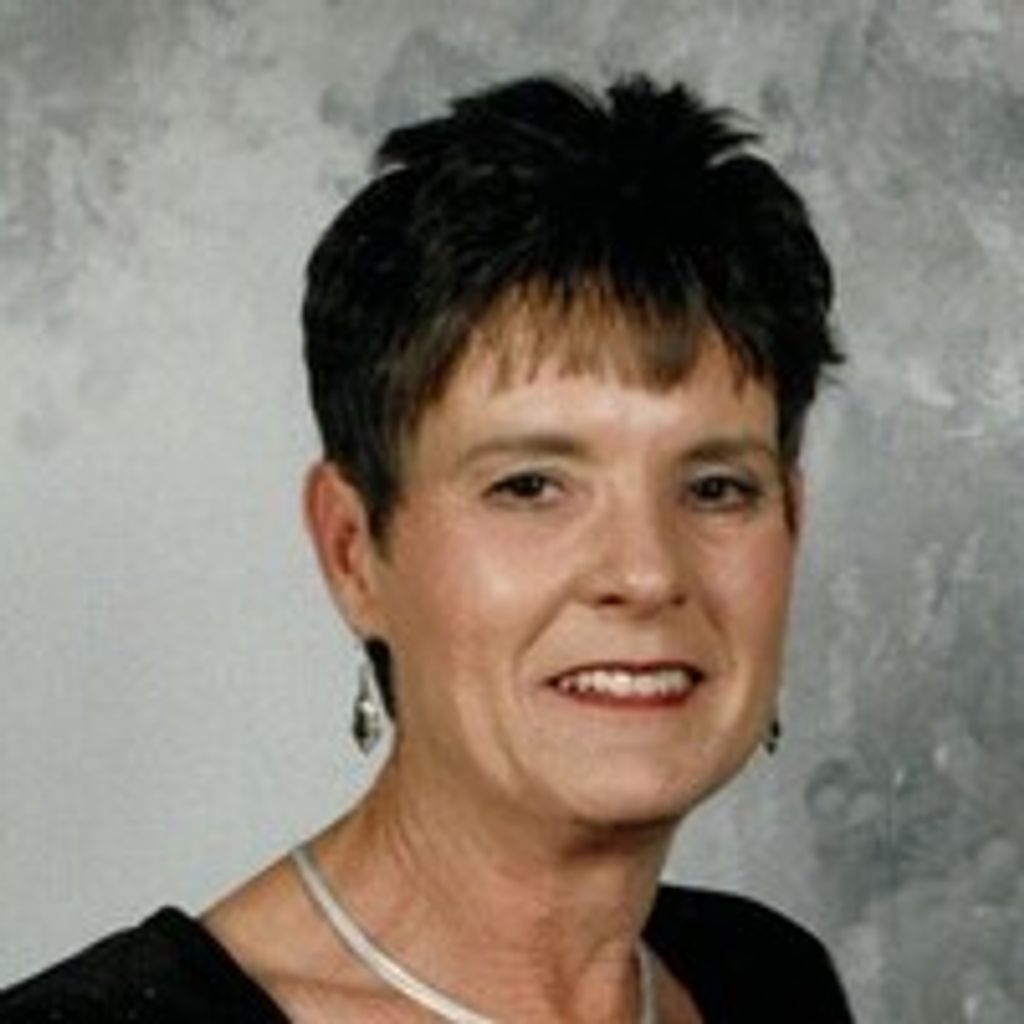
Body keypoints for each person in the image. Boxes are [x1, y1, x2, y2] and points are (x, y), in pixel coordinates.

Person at [0, 74, 854, 1022]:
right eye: (530, 486)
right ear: (353, 550)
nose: (648, 573)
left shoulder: (766, 981)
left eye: (716, 488)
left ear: (791, 521)